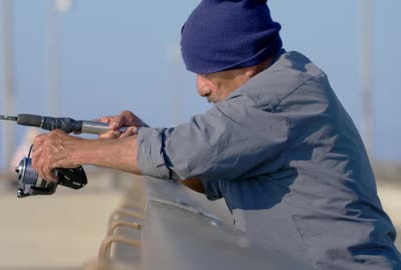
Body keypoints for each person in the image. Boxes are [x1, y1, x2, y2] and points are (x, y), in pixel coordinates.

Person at [31, 0, 401, 269]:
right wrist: (138, 139)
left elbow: (182, 151)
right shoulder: (284, 88)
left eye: (208, 73)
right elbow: (200, 168)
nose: (201, 88)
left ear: (247, 63)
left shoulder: (275, 100)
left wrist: (70, 151)